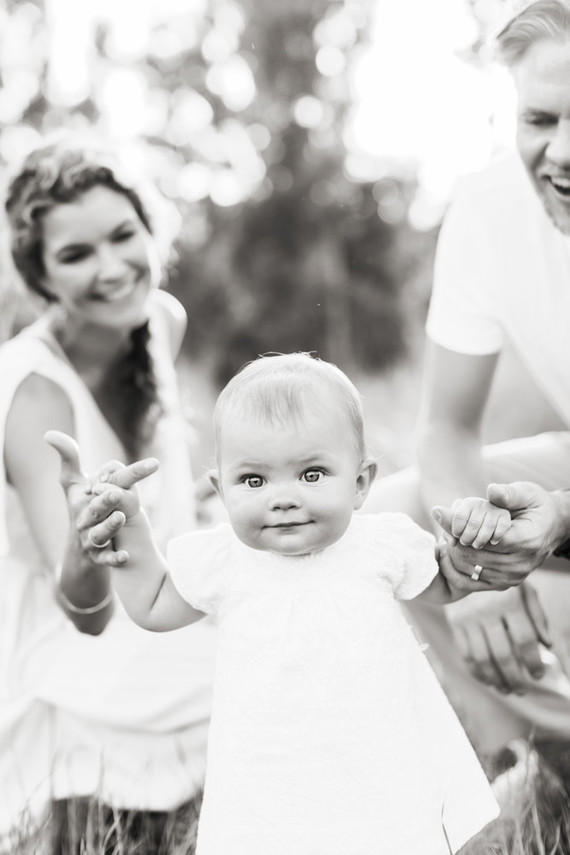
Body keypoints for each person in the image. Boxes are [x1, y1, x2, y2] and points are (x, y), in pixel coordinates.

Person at [53, 352, 502, 855]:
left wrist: (469, 549)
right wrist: (130, 525)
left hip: (376, 757)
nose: (282, 497)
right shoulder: (225, 559)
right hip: (269, 773)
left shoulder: (382, 543)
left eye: (311, 474)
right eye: (254, 481)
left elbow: (444, 583)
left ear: (360, 484)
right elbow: (154, 604)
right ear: (221, 492)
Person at [364, 0, 570, 762]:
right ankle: (546, 751)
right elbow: (446, 426)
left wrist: (562, 515)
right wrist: (477, 572)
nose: (561, 153)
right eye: (540, 119)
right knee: (397, 520)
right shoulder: (489, 209)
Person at [0, 134, 216, 842]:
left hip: (162, 602)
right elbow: (82, 613)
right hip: (67, 654)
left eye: (123, 235)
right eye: (75, 254)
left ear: (151, 229)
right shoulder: (34, 392)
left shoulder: (162, 320)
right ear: (41, 280)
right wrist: (92, 539)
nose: (113, 268)